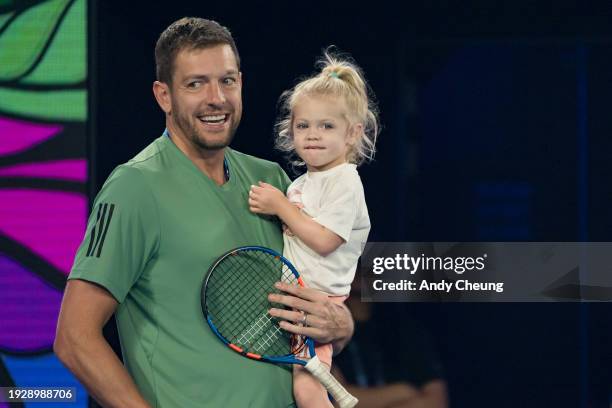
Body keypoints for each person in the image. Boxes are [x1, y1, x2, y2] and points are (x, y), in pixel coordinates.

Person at [53, 17, 354, 408]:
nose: (217, 98)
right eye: (195, 84)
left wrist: (340, 325)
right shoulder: (133, 188)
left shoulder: (275, 181)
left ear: (241, 84)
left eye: (227, 81)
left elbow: (318, 304)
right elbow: (74, 338)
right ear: (164, 96)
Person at [248, 50, 378, 407]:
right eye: (303, 126)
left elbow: (324, 241)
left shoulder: (345, 183)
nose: (313, 135)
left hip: (317, 303)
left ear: (352, 134)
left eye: (327, 126)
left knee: (306, 389)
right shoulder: (303, 183)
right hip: (296, 296)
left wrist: (280, 207)